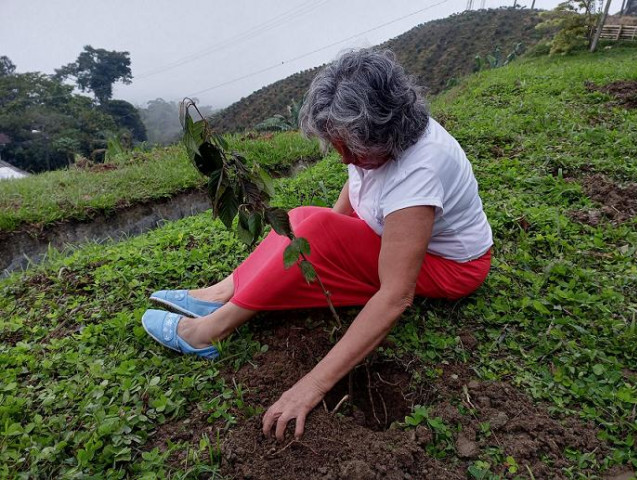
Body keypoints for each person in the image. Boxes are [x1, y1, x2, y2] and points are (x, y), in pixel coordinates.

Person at [141, 49, 493, 441]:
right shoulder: (382, 139)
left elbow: (396, 295)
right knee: (304, 218)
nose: (344, 158)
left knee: (318, 231)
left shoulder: (420, 172)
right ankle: (222, 292)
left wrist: (312, 386)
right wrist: (324, 232)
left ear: (383, 130)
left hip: (449, 266)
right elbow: (359, 185)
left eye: (351, 148)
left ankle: (209, 332)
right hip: (401, 232)